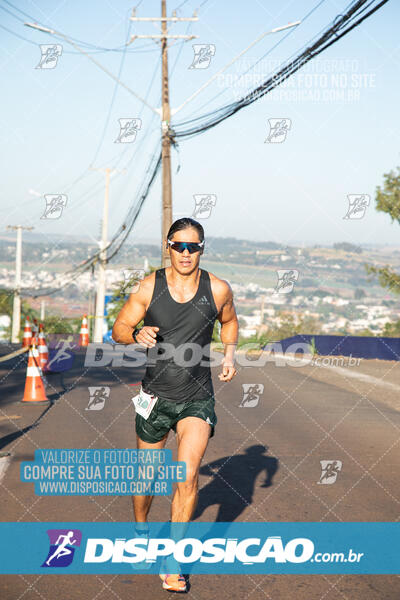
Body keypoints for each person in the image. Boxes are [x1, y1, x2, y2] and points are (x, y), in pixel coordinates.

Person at [112, 217, 238, 592]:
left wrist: (229, 355)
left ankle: (174, 560)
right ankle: (140, 529)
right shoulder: (149, 286)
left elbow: (229, 322)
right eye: (179, 246)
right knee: (146, 478)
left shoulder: (217, 289)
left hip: (197, 398)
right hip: (154, 397)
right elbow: (118, 330)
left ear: (202, 248)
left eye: (193, 246)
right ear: (168, 246)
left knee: (186, 478)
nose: (186, 253)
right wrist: (137, 333)